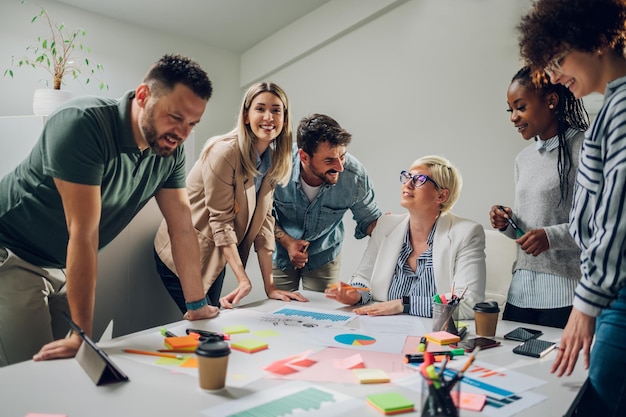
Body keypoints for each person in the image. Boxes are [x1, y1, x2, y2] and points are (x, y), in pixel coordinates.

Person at [0, 54, 218, 367]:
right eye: (175, 117)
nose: (182, 132)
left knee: (71, 370)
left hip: (63, 262)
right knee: (30, 372)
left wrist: (196, 305)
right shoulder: (83, 123)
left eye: (192, 124)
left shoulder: (170, 151)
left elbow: (182, 227)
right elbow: (84, 232)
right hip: (13, 253)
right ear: (143, 96)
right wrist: (81, 334)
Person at [518, 0, 626, 414]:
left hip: (615, 296)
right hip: (609, 292)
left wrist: (585, 304)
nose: (557, 75)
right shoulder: (609, 109)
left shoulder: (621, 109)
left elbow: (618, 218)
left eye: (561, 58)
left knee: (592, 404)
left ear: (596, 40)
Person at [154, 82, 308, 311]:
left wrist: (270, 287)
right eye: (260, 109)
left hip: (217, 252)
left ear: (284, 118)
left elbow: (265, 223)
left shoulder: (273, 159)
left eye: (276, 110)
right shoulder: (224, 152)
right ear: (246, 116)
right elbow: (221, 221)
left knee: (212, 323)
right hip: (182, 253)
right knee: (205, 326)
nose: (269, 117)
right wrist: (243, 279)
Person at [325, 155, 485, 320]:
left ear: (441, 196)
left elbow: (468, 304)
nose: (408, 184)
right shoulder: (386, 225)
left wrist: (403, 305)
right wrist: (356, 294)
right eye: (407, 177)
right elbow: (363, 278)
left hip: (433, 334)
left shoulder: (466, 233)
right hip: (382, 329)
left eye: (420, 179)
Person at [489, 66, 589, 329]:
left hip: (566, 291)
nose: (513, 117)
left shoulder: (584, 148)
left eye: (520, 107)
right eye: (510, 109)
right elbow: (528, 227)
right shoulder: (523, 158)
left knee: (558, 370)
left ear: (551, 101)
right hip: (521, 290)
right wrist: (507, 223)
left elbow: (598, 225)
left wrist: (550, 237)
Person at [272, 114, 382, 292]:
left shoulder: (355, 176)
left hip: (325, 254)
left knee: (321, 311)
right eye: (329, 160)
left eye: (342, 156)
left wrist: (390, 231)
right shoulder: (277, 166)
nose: (339, 167)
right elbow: (261, 216)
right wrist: (287, 242)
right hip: (282, 251)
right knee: (276, 310)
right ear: (304, 157)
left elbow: (369, 219)